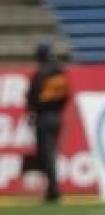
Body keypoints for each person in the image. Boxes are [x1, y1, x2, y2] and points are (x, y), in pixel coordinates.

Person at [26, 43, 69, 202]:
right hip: (57, 116)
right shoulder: (60, 73)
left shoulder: (41, 74)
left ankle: (53, 190)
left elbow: (33, 97)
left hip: (44, 118)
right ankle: (52, 189)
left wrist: (32, 113)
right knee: (51, 154)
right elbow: (66, 95)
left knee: (46, 155)